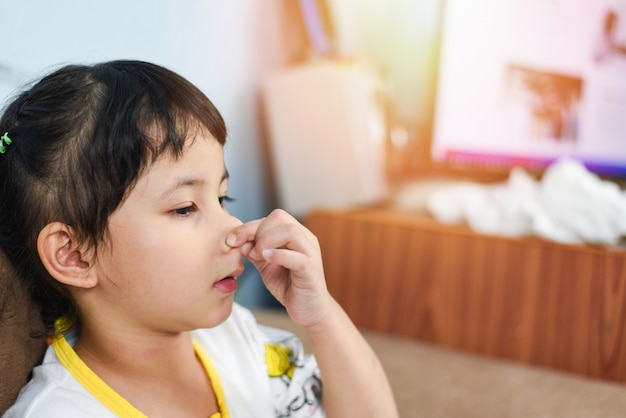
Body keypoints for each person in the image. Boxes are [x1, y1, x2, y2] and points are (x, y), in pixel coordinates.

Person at [0, 60, 398, 417]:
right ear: (75, 256)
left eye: (223, 197)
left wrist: (321, 317)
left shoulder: (236, 339)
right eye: (185, 208)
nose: (234, 227)